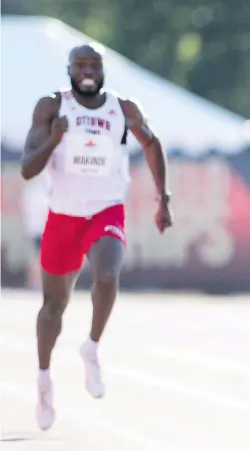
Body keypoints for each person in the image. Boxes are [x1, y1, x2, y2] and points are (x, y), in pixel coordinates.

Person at [20, 43, 173, 431]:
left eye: (95, 65)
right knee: (53, 308)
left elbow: (152, 145)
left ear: (104, 70)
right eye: (81, 65)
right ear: (69, 69)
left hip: (105, 209)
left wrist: (163, 197)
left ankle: (91, 346)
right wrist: (54, 139)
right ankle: (43, 379)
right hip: (63, 216)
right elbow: (27, 169)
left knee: (107, 275)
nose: (88, 70)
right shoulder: (52, 106)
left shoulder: (123, 108)